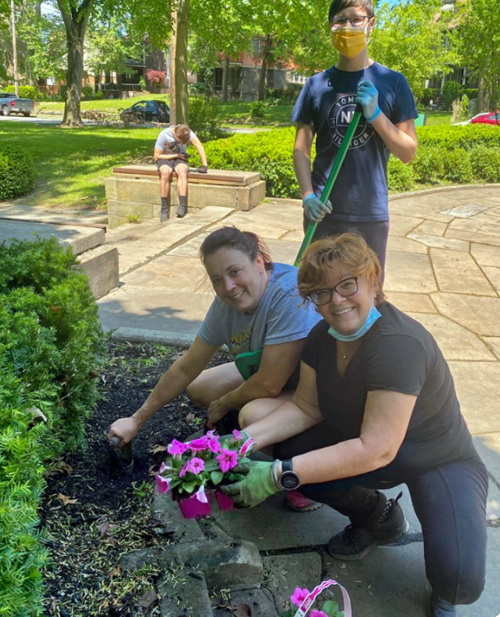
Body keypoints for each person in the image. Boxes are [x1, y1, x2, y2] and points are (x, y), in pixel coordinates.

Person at [222, 234, 488, 617]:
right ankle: (380, 519)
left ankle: (448, 581)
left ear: (373, 282)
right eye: (322, 293)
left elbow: (377, 447)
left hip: (438, 457)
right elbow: (305, 408)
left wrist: (277, 475)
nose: (336, 301)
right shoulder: (320, 337)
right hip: (370, 443)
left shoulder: (398, 343)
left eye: (348, 285)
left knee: (460, 579)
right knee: (292, 451)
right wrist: (241, 442)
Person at [108, 227, 322, 508]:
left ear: (258, 261)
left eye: (235, 272)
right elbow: (187, 366)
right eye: (217, 279)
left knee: (252, 414)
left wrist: (224, 403)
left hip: (314, 393)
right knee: (199, 387)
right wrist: (137, 419)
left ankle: (303, 476)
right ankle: (247, 437)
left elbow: (270, 384)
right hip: (272, 377)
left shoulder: (287, 296)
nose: (228, 287)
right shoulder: (227, 303)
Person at [292, 0, 418, 274]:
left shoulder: (392, 82)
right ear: (330, 26)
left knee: (368, 299)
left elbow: (408, 152)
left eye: (356, 19)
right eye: (340, 20)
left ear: (371, 24)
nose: (347, 27)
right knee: (318, 294)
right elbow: (301, 149)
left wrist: (375, 115)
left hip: (369, 214)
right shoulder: (315, 86)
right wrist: (307, 197)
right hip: (323, 213)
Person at [154, 123, 208, 220]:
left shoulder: (186, 132)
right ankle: (164, 208)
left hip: (180, 157)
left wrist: (204, 165)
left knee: (182, 171)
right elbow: (157, 156)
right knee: (165, 172)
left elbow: (199, 145)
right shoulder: (164, 134)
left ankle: (182, 206)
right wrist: (175, 156)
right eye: (181, 141)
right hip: (165, 157)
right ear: (175, 134)